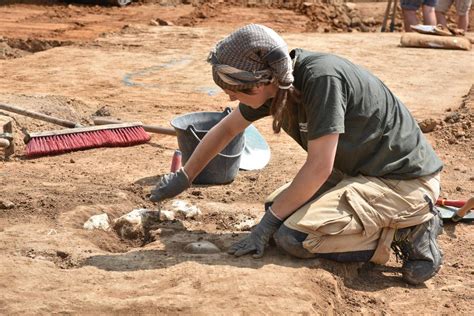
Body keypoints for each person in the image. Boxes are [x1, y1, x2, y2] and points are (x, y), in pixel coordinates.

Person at [150, 24, 444, 285]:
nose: (229, 96)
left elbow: (319, 167)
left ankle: (411, 229)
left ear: (262, 80)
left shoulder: (321, 79)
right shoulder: (277, 83)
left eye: (235, 89)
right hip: (359, 173)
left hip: (402, 182)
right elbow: (226, 130)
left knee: (295, 237)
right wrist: (185, 176)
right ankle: (388, 224)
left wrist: (266, 227)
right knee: (276, 210)